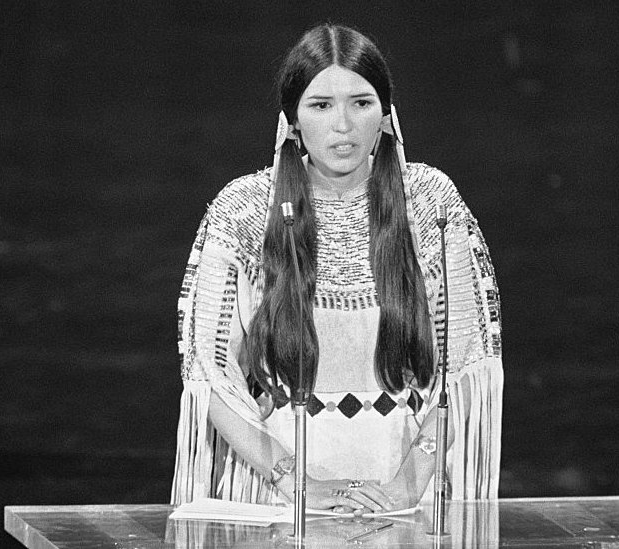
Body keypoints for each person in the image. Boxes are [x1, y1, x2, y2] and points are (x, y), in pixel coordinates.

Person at [171, 23, 502, 514]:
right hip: (276, 496)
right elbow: (207, 371)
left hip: (404, 494)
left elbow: (467, 365)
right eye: (321, 105)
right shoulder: (242, 210)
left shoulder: (432, 204)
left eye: (361, 103)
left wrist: (406, 487)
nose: (343, 126)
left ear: (387, 117)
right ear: (292, 120)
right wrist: (293, 481)